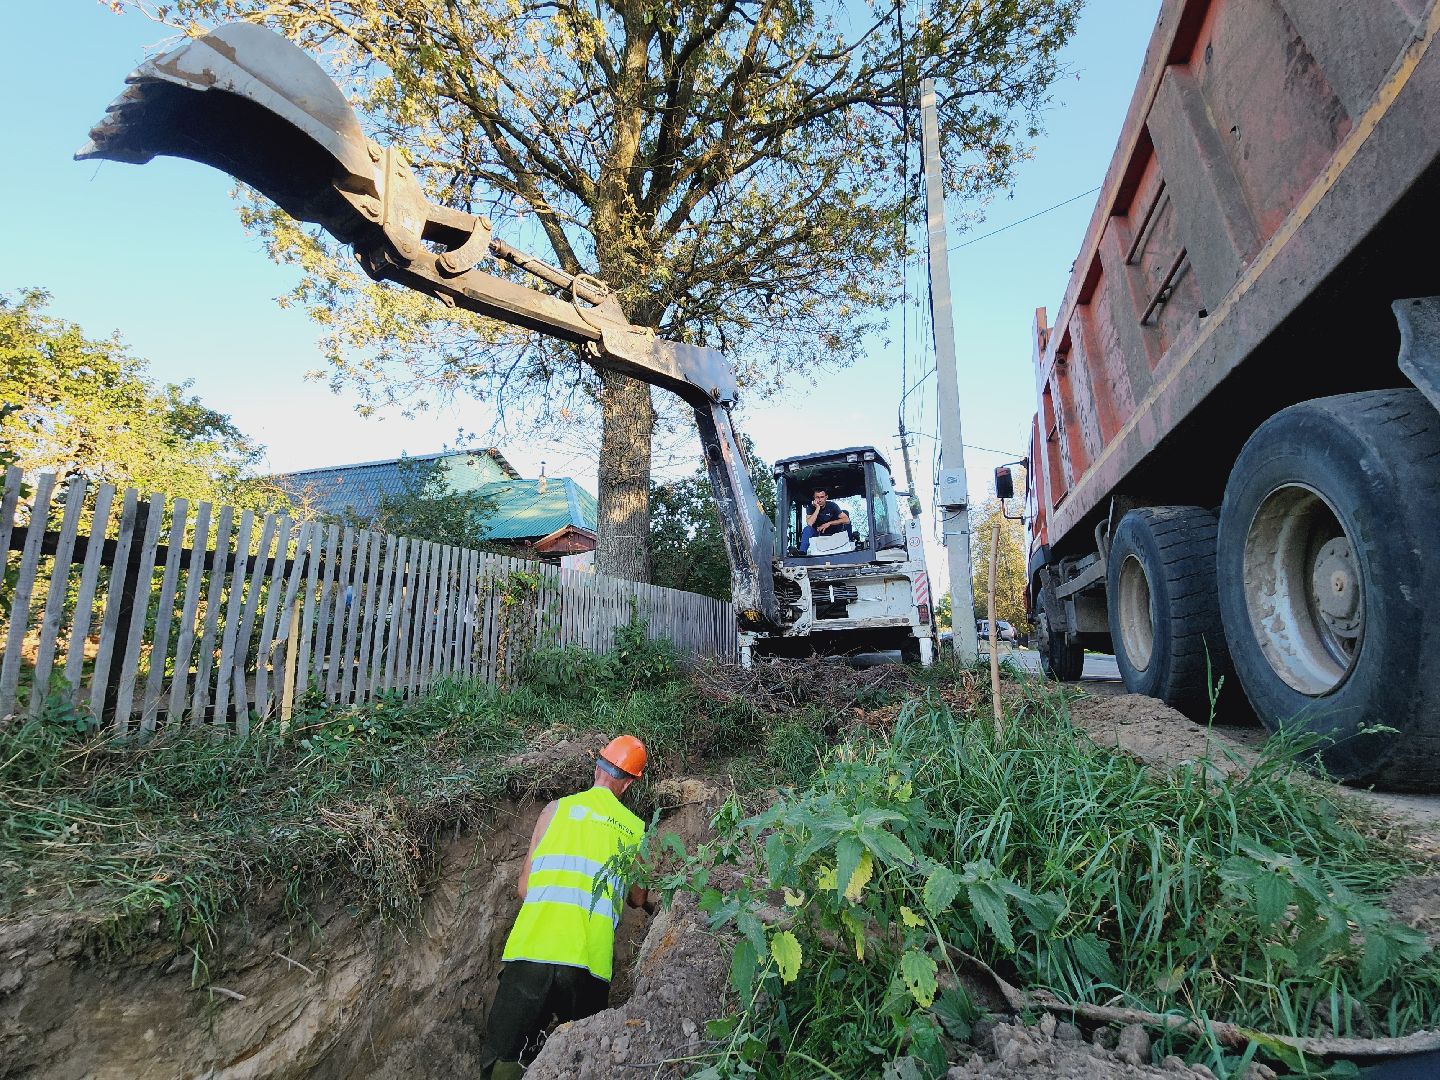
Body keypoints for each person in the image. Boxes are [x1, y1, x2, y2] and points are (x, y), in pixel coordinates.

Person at [479, 735, 653, 1080]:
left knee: (504, 1058)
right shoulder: (635, 830)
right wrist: (649, 904)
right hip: (586, 962)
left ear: (597, 765)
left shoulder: (554, 810)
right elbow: (636, 897)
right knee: (580, 1060)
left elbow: (524, 888)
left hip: (532, 951)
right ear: (631, 782)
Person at [800, 488, 851, 554]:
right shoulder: (810, 507)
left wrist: (829, 523)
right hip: (818, 534)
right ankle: (802, 553)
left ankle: (849, 550)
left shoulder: (832, 506)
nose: (819, 500)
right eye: (817, 497)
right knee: (807, 529)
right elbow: (809, 523)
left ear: (826, 497)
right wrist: (817, 508)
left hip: (834, 534)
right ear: (814, 498)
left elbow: (847, 520)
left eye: (822, 497)